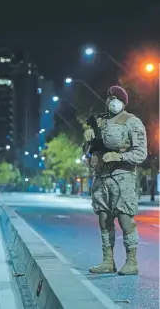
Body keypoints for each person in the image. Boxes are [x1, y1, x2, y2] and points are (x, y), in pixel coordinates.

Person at [83, 85, 147, 276]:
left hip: (123, 178)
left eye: (116, 98)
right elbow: (88, 152)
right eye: (109, 98)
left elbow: (141, 153)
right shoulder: (99, 122)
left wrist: (119, 157)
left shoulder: (132, 122)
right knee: (103, 218)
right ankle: (107, 261)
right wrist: (87, 141)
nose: (112, 101)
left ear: (124, 102)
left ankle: (131, 261)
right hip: (101, 177)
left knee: (124, 217)